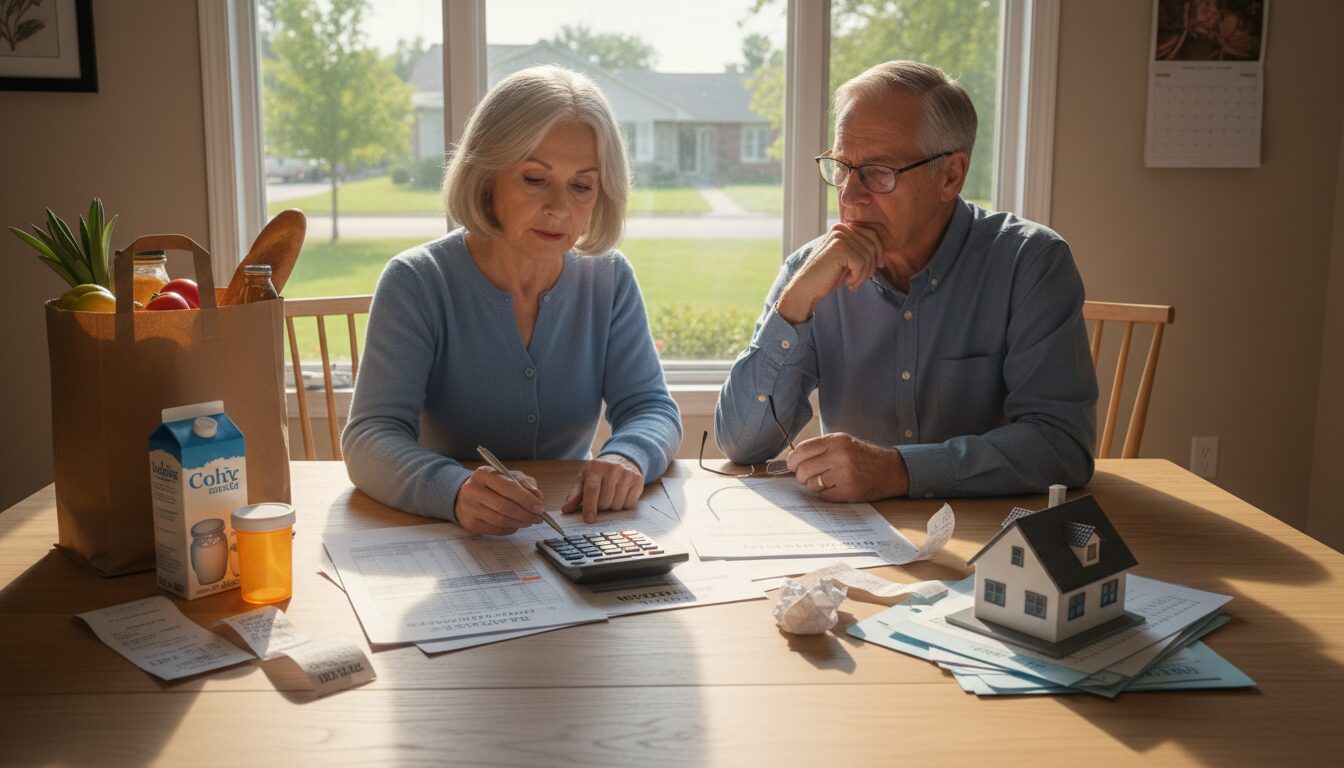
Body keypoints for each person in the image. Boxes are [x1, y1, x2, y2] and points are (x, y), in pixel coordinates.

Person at [715, 60, 1097, 502]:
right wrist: (794, 303)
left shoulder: (1030, 263)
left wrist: (900, 470)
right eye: (841, 167)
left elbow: (1063, 446)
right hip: (856, 546)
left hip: (993, 536)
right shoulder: (811, 271)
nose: (849, 195)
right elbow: (742, 444)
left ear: (950, 175)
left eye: (879, 172)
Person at [344, 65, 681, 535]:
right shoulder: (417, 282)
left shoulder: (609, 278)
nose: (560, 208)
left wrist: (628, 455)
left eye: (581, 185)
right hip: (448, 534)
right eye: (533, 178)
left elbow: (651, 408)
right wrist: (455, 490)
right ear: (487, 178)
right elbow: (368, 438)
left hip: (573, 527)